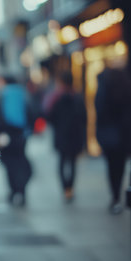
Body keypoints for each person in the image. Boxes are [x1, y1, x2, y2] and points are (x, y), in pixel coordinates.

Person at [95, 67, 131, 214]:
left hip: (110, 136)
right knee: (120, 167)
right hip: (123, 136)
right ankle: (117, 196)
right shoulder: (127, 90)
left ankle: (115, 197)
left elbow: (99, 112)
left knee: (111, 167)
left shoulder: (104, 91)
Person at [0, 74, 33, 206]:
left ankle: (13, 191)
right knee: (20, 161)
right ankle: (22, 192)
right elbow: (32, 111)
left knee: (9, 165)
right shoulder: (23, 93)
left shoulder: (0, 94)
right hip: (21, 135)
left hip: (6, 135)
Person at [44, 72, 87, 202]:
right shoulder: (78, 97)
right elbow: (84, 117)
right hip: (75, 136)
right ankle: (70, 188)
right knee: (72, 163)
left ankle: (65, 189)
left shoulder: (56, 98)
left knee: (62, 163)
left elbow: (49, 116)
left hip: (61, 136)